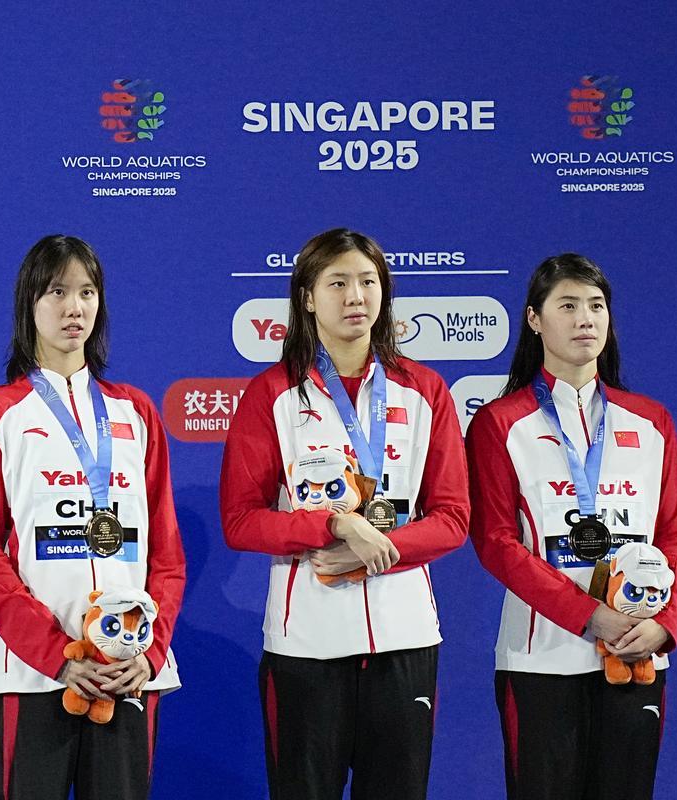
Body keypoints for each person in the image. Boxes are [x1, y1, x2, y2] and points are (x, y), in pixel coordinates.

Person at [219, 227, 469, 800]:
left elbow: (454, 517)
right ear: (307, 297)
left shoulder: (425, 389)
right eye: (337, 283)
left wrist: (378, 550)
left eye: (367, 281)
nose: (355, 296)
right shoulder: (272, 393)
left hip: (405, 638)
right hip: (306, 642)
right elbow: (240, 520)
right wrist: (331, 524)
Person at [0, 235, 185, 800]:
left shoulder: (136, 410)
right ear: (29, 303)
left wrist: (150, 652)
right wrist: (56, 653)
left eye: (86, 292)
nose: (73, 307)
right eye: (56, 292)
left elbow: (166, 555)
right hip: (32, 675)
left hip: (128, 673)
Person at [465, 253, 677, 800]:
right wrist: (589, 615)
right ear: (534, 319)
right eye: (567, 306)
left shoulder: (652, 420)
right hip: (539, 658)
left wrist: (664, 623)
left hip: (638, 652)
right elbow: (495, 542)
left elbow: (674, 534)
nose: (585, 319)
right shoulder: (500, 422)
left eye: (596, 305)